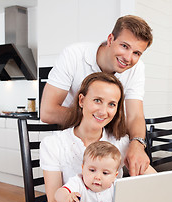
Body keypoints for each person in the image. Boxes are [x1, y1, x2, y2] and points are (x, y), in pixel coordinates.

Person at [40, 72, 156, 202]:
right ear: (81, 100)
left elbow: (155, 180)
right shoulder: (53, 144)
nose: (103, 111)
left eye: (111, 104)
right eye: (97, 101)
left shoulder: (121, 142)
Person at [40, 15, 153, 176]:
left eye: (136, 53)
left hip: (107, 141)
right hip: (74, 139)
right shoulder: (74, 54)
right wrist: (100, 120)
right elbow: (48, 112)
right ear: (110, 39)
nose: (128, 58)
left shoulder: (137, 68)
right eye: (124, 46)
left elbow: (135, 116)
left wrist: (137, 143)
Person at [55, 141, 121, 202]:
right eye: (92, 170)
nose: (97, 177)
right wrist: (66, 198)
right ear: (83, 168)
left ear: (115, 175)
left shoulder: (116, 185)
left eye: (105, 173)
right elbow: (58, 194)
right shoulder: (78, 182)